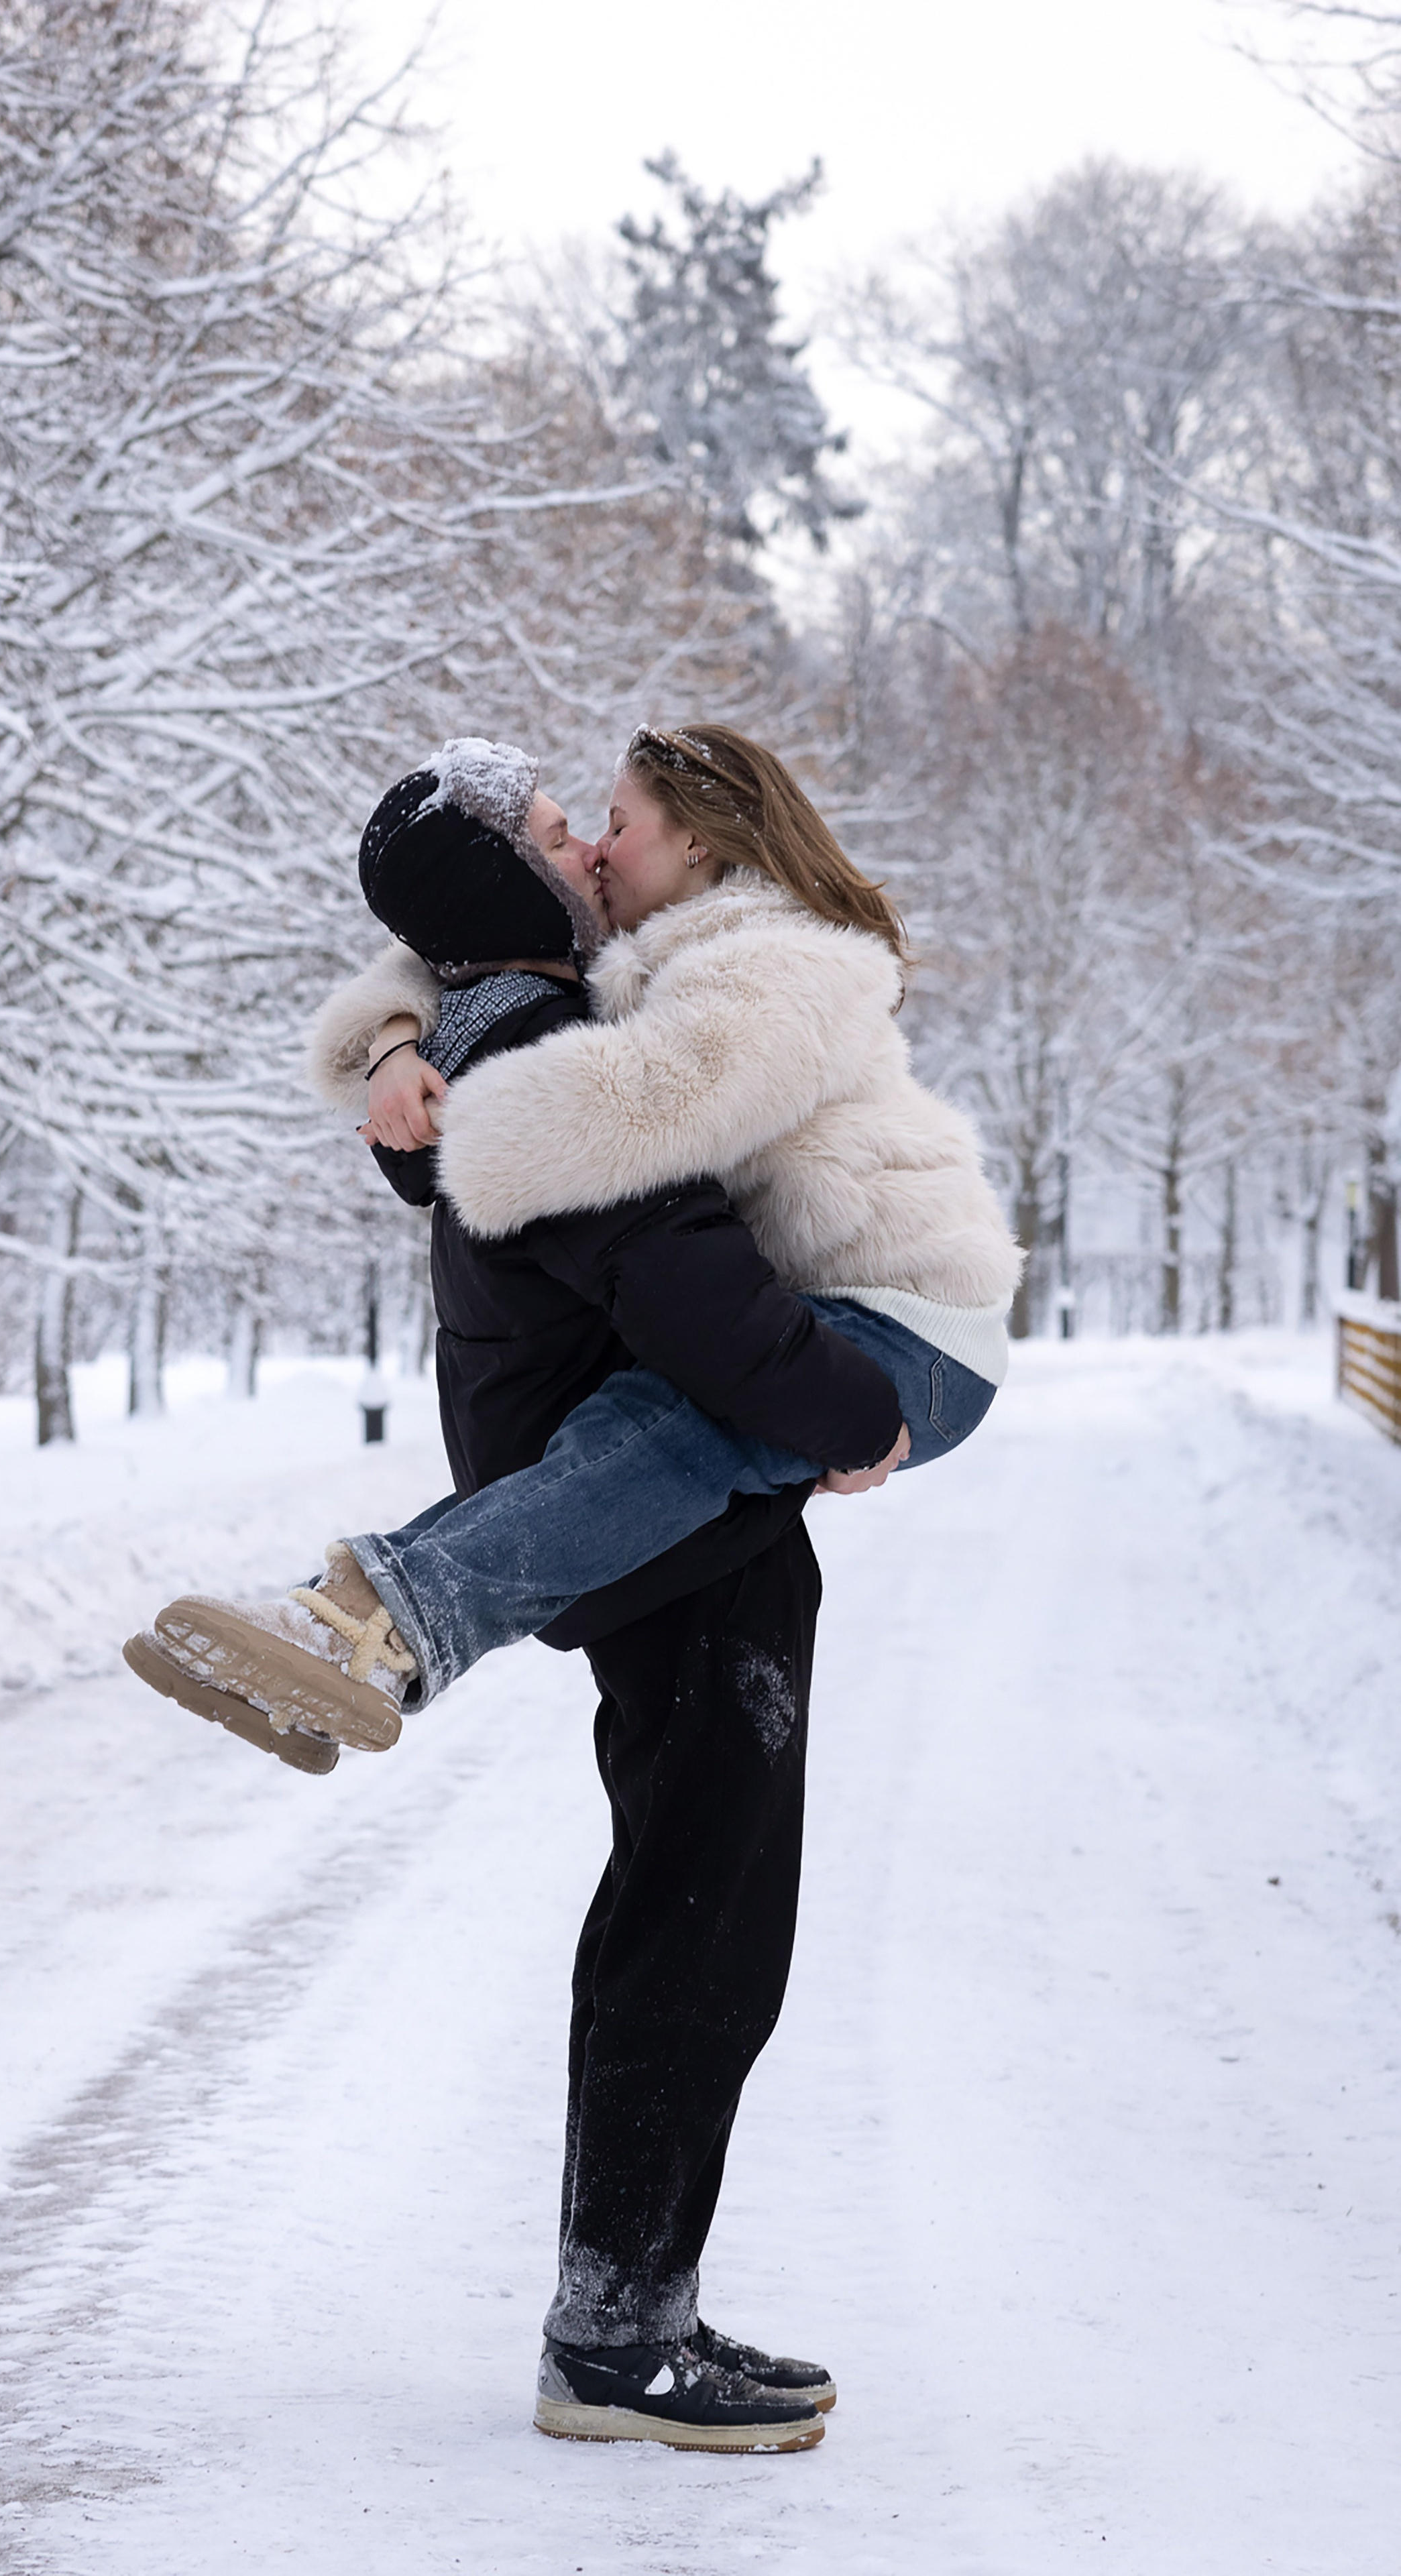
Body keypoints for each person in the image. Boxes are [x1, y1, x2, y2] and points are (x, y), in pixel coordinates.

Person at [124, 730, 1015, 2453]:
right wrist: (845, 1416)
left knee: (687, 1910)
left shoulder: (642, 996)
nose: (591, 844)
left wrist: (401, 1050)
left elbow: (476, 1034)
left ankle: (626, 2319)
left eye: (611, 822)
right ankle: (615, 2340)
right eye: (565, 829)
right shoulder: (550, 1036)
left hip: (731, 1454)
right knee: (701, 1920)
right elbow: (659, 1255)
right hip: (695, 1515)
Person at [130, 726, 1019, 1752]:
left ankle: (379, 1623)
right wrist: (391, 1042)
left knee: (666, 1432)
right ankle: (340, 1617)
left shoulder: (774, 967)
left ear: (693, 840)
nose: (597, 851)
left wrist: (470, 1099)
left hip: (911, 1332)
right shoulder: (653, 952)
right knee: (627, 1438)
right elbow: (456, 947)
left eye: (616, 824)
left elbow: (629, 1109)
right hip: (823, 1316)